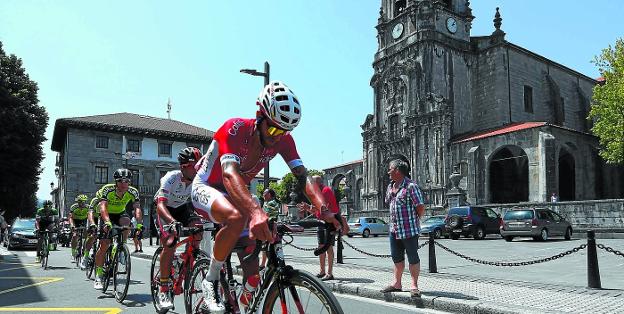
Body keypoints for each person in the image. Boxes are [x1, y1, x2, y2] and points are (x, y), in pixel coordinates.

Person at [191, 80, 342, 312]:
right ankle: (210, 279)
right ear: (259, 116)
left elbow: (303, 177)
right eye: (272, 129)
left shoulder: (282, 140)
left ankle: (240, 305)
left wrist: (324, 209)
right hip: (208, 187)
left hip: (238, 195)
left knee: (254, 277)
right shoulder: (234, 128)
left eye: (284, 132)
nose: (276, 137)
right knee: (236, 217)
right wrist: (254, 211)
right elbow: (229, 175)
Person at [154, 146, 203, 310]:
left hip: (183, 208)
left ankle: (185, 259)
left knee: (199, 230)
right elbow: (161, 204)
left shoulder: (199, 179)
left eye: (200, 165)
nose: (199, 169)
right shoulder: (172, 177)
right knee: (170, 241)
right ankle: (163, 288)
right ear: (183, 167)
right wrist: (171, 222)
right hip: (165, 209)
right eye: (195, 166)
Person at [381, 158, 425, 298]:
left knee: (412, 256)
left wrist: (413, 221)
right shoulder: (390, 187)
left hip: (409, 229)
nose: (388, 171)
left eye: (390, 169)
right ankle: (397, 283)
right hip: (394, 229)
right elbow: (389, 203)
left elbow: (420, 207)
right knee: (397, 257)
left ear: (398, 171)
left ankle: (414, 285)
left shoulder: (411, 186)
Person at [92, 168, 142, 290]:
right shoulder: (108, 189)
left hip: (120, 213)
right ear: (115, 182)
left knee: (127, 222)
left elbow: (137, 208)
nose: (123, 184)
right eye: (120, 181)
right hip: (107, 214)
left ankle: (121, 247)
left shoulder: (133, 191)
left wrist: (139, 224)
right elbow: (103, 207)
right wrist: (107, 222)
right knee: (104, 244)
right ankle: (98, 276)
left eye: (127, 181)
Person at [298, 176, 339, 280]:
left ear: (318, 183)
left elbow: (324, 209)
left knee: (328, 247)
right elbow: (317, 211)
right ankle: (322, 271)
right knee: (321, 246)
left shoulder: (326, 191)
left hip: (329, 222)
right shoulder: (317, 193)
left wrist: (310, 207)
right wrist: (308, 208)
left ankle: (329, 273)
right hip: (321, 222)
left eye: (313, 183)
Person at [259, 188, 280, 269]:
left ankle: (270, 264)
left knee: (268, 246)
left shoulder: (271, 203)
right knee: (265, 246)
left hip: (269, 227)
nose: (263, 194)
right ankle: (264, 263)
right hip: (267, 226)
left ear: (270, 194)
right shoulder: (267, 202)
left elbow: (266, 214)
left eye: (265, 193)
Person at [80, 196, 101, 270]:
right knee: (92, 235)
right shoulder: (95, 200)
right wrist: (92, 224)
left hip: (103, 217)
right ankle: (85, 257)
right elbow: (90, 213)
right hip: (93, 218)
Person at [69, 194, 90, 261]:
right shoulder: (74, 207)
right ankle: (73, 253)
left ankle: (84, 247)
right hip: (76, 221)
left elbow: (90, 217)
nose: (82, 203)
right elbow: (70, 217)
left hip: (84, 221)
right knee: (75, 236)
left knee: (86, 234)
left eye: (83, 202)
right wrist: (72, 225)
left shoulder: (88, 207)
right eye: (80, 201)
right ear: (78, 202)